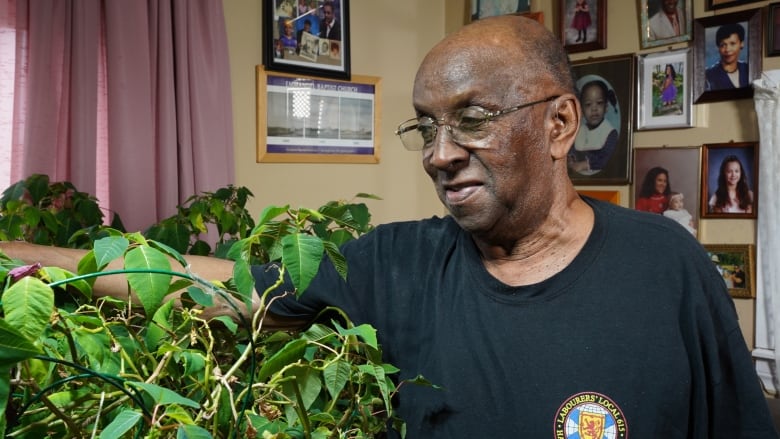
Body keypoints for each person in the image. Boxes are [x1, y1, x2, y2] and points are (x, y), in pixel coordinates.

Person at [2, 16, 777, 438]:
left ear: (561, 122)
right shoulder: (396, 266)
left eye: (472, 120)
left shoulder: (667, 267)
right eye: (425, 129)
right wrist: (23, 260)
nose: (440, 155)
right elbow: (219, 290)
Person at [567, 78, 618, 175]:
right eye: (588, 104)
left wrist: (584, 165)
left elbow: (606, 159)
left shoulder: (610, 133)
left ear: (606, 107)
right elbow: (572, 151)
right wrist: (571, 158)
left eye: (599, 103)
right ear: (581, 110)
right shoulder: (579, 131)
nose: (594, 109)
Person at [705, 22, 749, 91]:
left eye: (732, 43)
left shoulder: (748, 69)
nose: (727, 49)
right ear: (718, 47)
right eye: (723, 45)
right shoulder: (708, 75)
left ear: (741, 44)